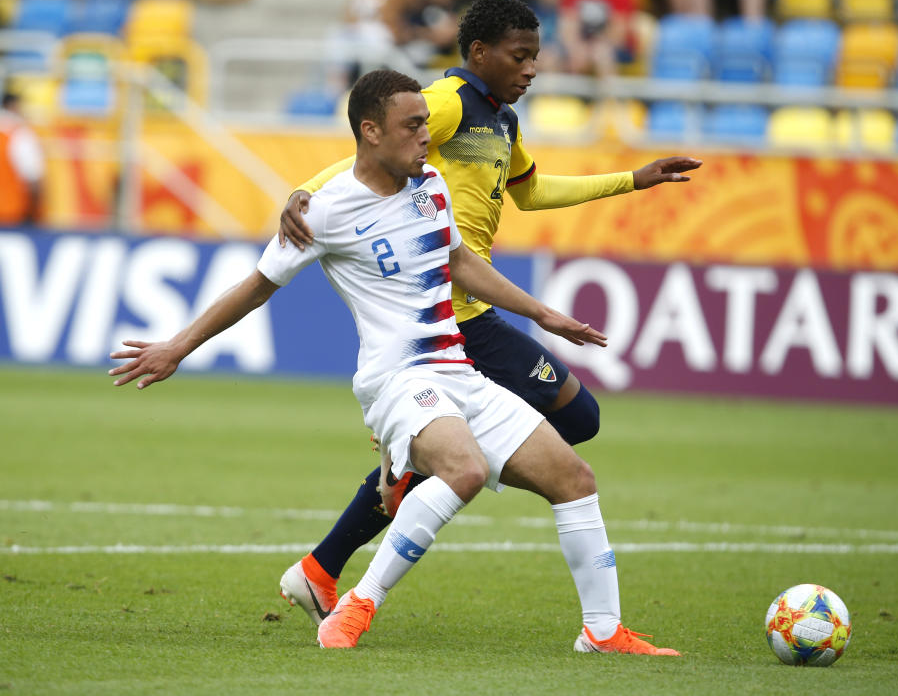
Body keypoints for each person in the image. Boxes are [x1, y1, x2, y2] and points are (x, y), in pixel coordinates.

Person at [109, 69, 680, 655]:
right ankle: (356, 605)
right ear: (370, 131)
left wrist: (542, 313)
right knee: (464, 471)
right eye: (412, 127)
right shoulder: (325, 213)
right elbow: (255, 287)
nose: (425, 138)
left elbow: (460, 264)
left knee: (574, 479)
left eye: (425, 127)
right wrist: (177, 346)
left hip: (457, 370)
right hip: (397, 379)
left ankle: (603, 631)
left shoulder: (430, 184)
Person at [275, 0, 701, 631]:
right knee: (562, 424)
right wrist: (307, 189)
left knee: (571, 420)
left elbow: (530, 194)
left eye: (536, 56)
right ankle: (359, 529)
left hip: (473, 303)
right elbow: (371, 150)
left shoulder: (501, 120)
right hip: (444, 311)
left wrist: (630, 180)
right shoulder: (447, 103)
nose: (532, 69)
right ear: (479, 53)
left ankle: (329, 557)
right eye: (520, 56)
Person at [0, 90, 44, 227]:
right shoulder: (20, 133)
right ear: (14, 106)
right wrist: (33, 214)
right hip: (12, 213)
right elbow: (33, 177)